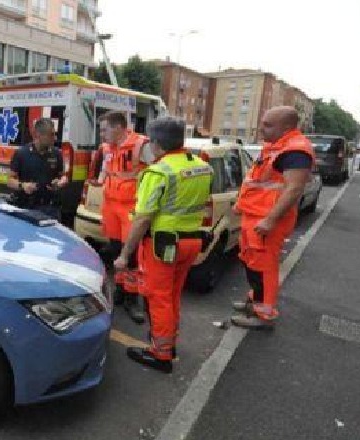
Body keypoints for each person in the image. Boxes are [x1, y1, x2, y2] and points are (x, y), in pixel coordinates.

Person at [114, 116, 212, 373]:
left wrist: (125, 255)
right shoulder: (201, 166)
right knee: (172, 296)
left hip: (164, 244)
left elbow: (143, 217)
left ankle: (161, 354)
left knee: (158, 298)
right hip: (191, 241)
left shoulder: (158, 171)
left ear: (156, 143)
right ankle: (169, 341)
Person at [231, 106, 315, 330]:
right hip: (255, 216)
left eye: (268, 125)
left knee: (264, 267)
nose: (262, 128)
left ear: (286, 127)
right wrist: (241, 206)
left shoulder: (296, 150)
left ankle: (264, 314)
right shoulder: (276, 146)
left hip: (267, 221)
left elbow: (294, 189)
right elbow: (257, 181)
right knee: (251, 261)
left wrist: (270, 220)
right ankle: (255, 301)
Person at [99, 111, 151, 324]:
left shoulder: (140, 145)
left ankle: (132, 297)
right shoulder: (107, 148)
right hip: (111, 206)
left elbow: (156, 171)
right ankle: (120, 290)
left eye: (104, 129)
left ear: (118, 127)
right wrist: (101, 179)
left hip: (131, 207)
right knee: (115, 250)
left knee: (131, 255)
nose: (102, 134)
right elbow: (106, 169)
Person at [6, 117, 68, 219]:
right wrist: (23, 185)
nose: (55, 138)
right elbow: (9, 181)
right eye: (51, 134)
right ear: (39, 135)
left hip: (51, 209)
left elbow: (63, 177)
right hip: (27, 207)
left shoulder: (56, 154)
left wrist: (60, 182)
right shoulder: (22, 153)